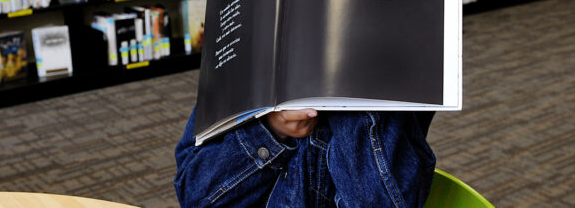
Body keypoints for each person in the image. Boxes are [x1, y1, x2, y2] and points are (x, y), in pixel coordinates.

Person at [174, 107, 436, 207]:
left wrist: (352, 99)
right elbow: (196, 197)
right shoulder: (240, 68)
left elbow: (382, 201)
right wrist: (269, 130)